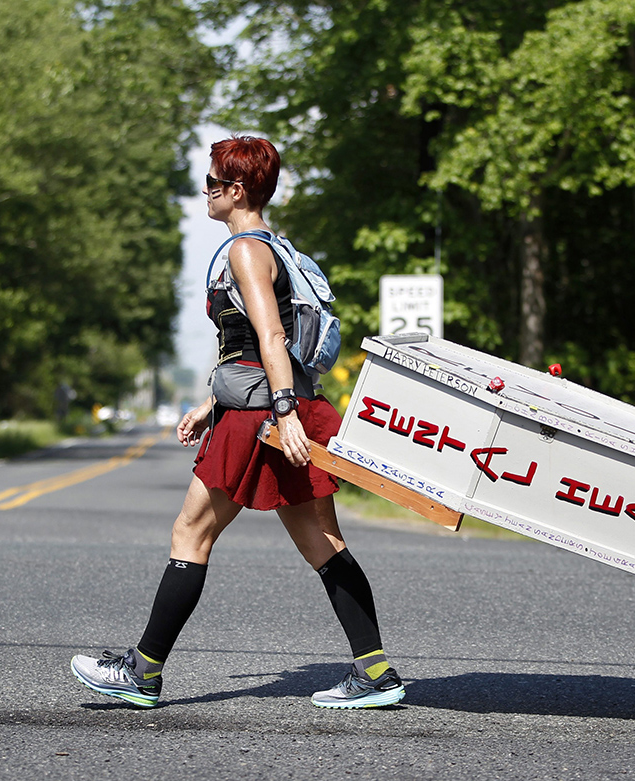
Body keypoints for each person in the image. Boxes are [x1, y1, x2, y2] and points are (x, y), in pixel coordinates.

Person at [70, 136, 404, 710]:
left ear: (236, 189)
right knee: (323, 542)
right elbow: (247, 345)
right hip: (270, 404)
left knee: (190, 533)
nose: (204, 193)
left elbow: (271, 336)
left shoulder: (246, 251)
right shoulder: (274, 247)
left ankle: (143, 673)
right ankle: (376, 673)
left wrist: (277, 410)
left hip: (263, 417)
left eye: (210, 184)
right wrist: (214, 402)